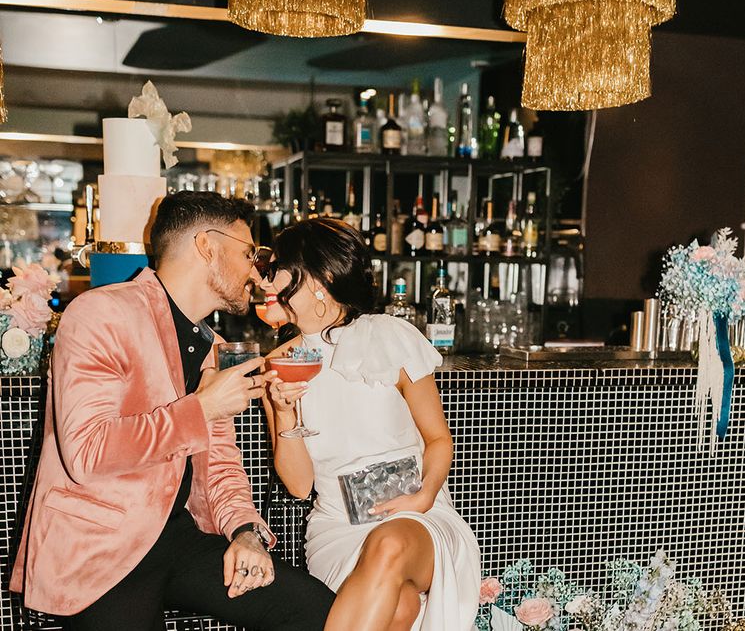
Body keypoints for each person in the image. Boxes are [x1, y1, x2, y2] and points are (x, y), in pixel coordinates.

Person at [10, 191, 334, 630]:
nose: (257, 274)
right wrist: (201, 408)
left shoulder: (216, 348)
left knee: (312, 607)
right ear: (207, 246)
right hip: (99, 545)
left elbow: (220, 467)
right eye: (249, 253)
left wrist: (246, 533)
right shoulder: (100, 313)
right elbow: (86, 453)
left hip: (177, 537)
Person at [259, 218, 481, 631]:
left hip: (420, 518)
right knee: (398, 610)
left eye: (279, 267)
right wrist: (285, 412)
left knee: (390, 542)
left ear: (318, 279)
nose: (267, 278)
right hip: (339, 531)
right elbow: (299, 486)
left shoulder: (390, 336)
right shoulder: (280, 364)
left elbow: (437, 438)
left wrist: (424, 497)